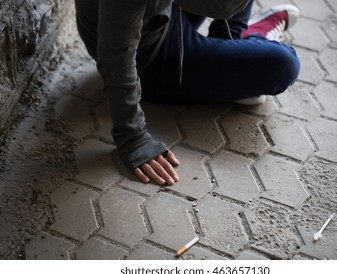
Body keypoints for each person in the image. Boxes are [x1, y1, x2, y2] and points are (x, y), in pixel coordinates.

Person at [74, 0, 300, 186]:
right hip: (148, 57)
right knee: (284, 65)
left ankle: (231, 47)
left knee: (246, 59)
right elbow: (115, 59)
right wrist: (132, 138)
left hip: (164, 13)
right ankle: (251, 41)